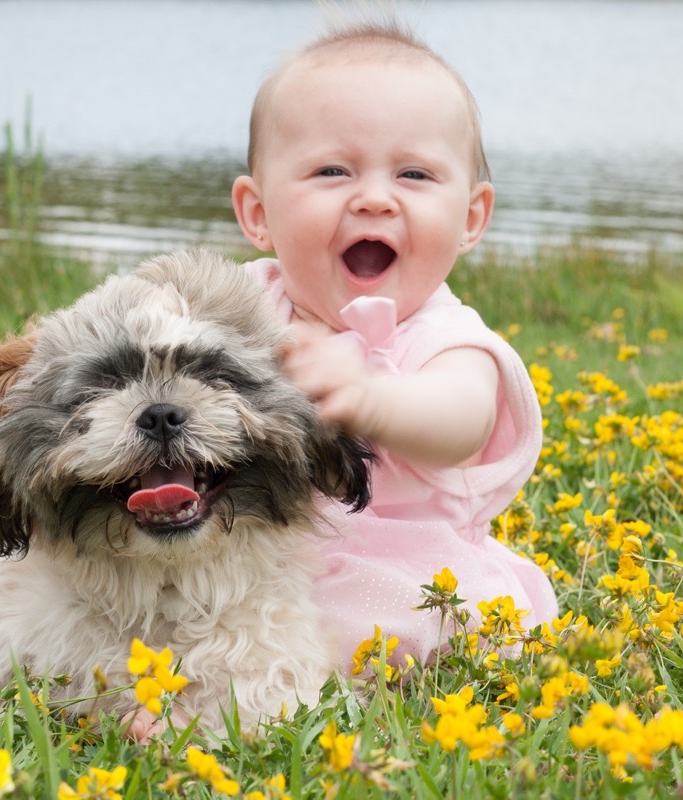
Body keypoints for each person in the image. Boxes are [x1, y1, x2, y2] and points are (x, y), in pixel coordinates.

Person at [230, 19, 559, 670]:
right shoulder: (242, 304)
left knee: (367, 621)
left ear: (470, 217)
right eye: (332, 170)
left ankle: (242, 691)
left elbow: (459, 421)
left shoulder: (450, 340)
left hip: (393, 561)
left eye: (413, 174)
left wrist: (372, 399)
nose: (375, 198)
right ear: (258, 212)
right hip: (256, 542)